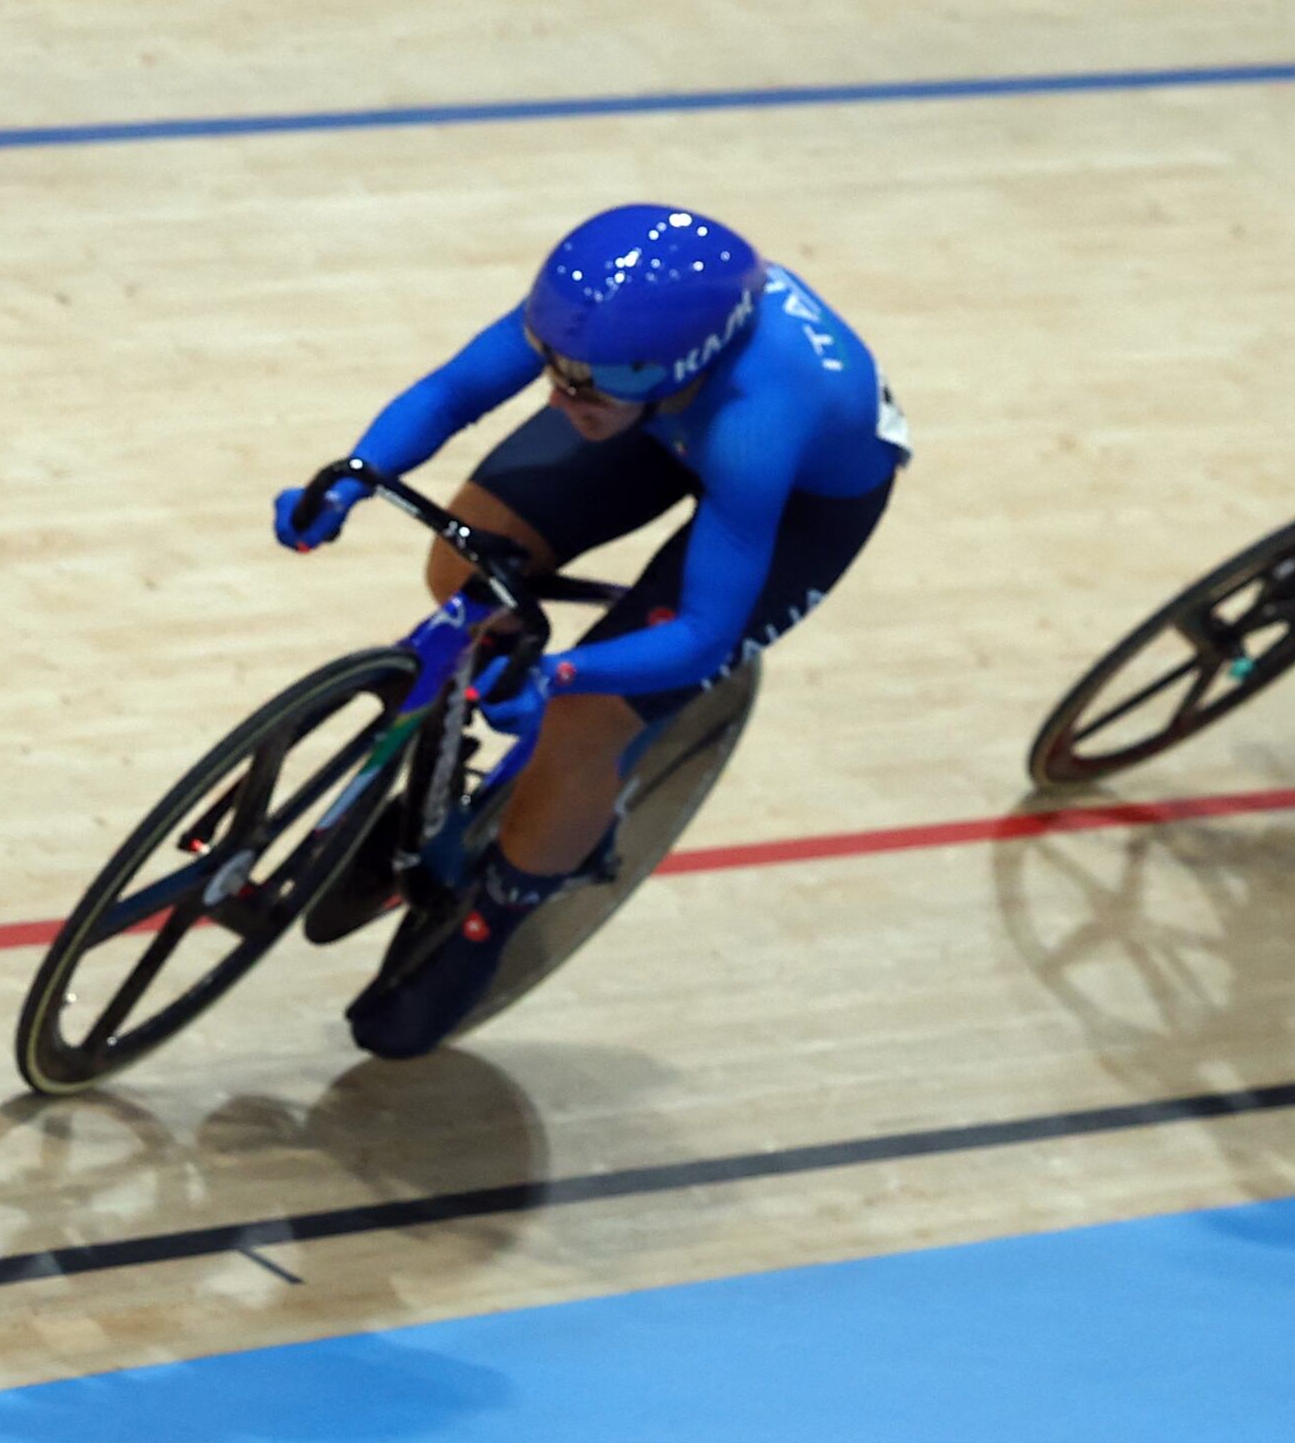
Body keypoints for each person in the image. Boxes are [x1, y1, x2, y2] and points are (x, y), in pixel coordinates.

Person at [276, 204, 907, 1060]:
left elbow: (701, 636)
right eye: (556, 369)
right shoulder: (596, 329)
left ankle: (496, 913)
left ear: (674, 363)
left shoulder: (760, 416)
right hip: (654, 418)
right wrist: (354, 477)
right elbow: (453, 391)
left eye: (585, 382)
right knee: (464, 570)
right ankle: (447, 783)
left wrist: (559, 678)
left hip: (798, 501)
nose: (558, 394)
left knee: (584, 725)